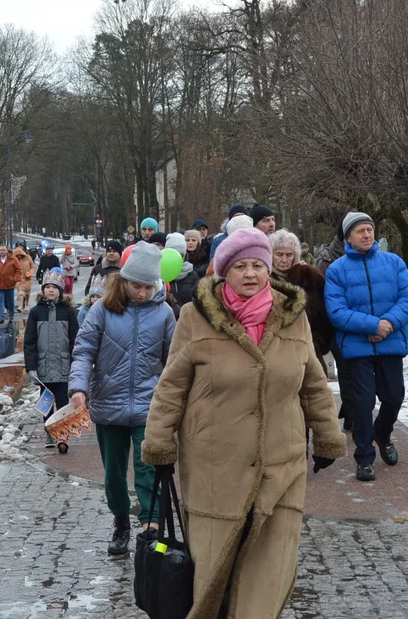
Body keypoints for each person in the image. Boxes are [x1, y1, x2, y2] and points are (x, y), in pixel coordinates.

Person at [142, 228, 345, 618]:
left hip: (281, 464)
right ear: (223, 271)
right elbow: (171, 388)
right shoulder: (194, 318)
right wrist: (160, 443)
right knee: (213, 571)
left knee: (268, 573)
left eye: (258, 265)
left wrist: (327, 436)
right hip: (215, 464)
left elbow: (314, 383)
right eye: (240, 266)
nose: (250, 274)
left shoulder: (292, 318)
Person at [68, 242, 177, 556]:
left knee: (147, 470)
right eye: (135, 285)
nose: (141, 293)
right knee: (113, 474)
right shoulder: (103, 309)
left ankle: (150, 527)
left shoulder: (165, 313)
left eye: (147, 286)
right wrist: (78, 387)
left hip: (149, 408)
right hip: (109, 405)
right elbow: (84, 350)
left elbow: (174, 361)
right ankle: (120, 520)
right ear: (124, 280)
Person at [325, 212, 408, 482]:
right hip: (358, 349)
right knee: (363, 403)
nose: (367, 235)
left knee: (393, 398)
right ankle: (364, 457)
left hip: (390, 344)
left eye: (369, 229)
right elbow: (336, 311)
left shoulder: (393, 262)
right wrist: (371, 326)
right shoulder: (337, 270)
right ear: (347, 238)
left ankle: (383, 434)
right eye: (360, 231)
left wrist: (387, 323)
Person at [24, 268, 80, 452]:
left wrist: (76, 362)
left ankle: (62, 433)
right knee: (46, 402)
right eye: (47, 287)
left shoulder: (69, 312)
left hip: (64, 365)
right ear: (42, 290)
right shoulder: (35, 312)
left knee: (63, 401)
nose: (50, 290)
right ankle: (49, 431)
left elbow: (75, 339)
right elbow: (30, 341)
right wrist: (31, 366)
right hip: (44, 365)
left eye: (54, 287)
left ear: (60, 290)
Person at [269, 230, 335, 361]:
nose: (284, 260)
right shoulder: (262, 279)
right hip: (274, 350)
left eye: (289, 255)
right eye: (279, 254)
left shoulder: (310, 275)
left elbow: (325, 311)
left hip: (308, 347)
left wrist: (317, 341)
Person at [314, 221, 355, 430]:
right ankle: (351, 415)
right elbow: (321, 298)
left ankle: (350, 410)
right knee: (347, 371)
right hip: (335, 327)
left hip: (359, 325)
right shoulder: (327, 260)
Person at [0, 245, 21, 324]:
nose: (2, 251)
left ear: (7, 251)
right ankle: (1, 317)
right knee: (0, 301)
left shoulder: (13, 259)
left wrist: (14, 279)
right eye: (0, 250)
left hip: (9, 284)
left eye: (3, 250)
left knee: (10, 302)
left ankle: (11, 316)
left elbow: (18, 270)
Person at [165, 233, 198, 308]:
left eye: (181, 255)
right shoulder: (161, 274)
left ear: (185, 255)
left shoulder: (192, 275)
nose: (177, 258)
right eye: (173, 254)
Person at [14, 246, 34, 312]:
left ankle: (27, 304)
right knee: (20, 292)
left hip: (27, 278)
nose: (19, 256)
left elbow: (32, 266)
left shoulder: (27, 257)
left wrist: (30, 273)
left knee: (27, 293)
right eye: (17, 255)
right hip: (19, 279)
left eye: (20, 255)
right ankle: (20, 305)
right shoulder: (14, 260)